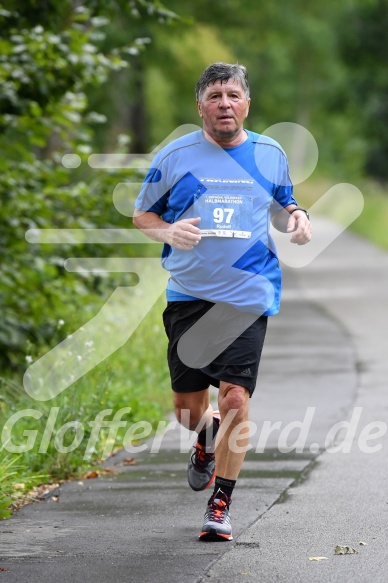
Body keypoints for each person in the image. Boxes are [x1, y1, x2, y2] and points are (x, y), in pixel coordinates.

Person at [133, 62, 312, 541]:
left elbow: (282, 200)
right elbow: (142, 214)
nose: (225, 103)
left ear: (247, 104)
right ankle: (204, 437)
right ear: (200, 106)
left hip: (247, 294)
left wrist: (297, 216)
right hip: (189, 295)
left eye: (233, 95)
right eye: (215, 96)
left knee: (235, 396)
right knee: (189, 411)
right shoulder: (175, 156)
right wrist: (168, 229)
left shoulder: (270, 153)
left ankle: (221, 502)